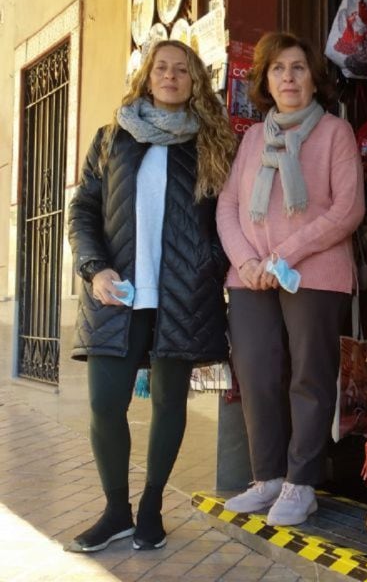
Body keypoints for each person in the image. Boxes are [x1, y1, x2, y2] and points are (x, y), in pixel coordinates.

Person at [66, 40, 236, 552]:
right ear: (146, 76)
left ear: (194, 81)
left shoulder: (211, 143)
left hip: (182, 294)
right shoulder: (111, 137)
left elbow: (227, 218)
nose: (170, 76)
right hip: (117, 293)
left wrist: (211, 265)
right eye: (161, 67)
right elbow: (83, 212)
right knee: (104, 404)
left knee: (168, 403)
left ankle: (152, 507)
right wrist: (94, 268)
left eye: (181, 70)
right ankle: (116, 509)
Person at [217, 32, 365, 526]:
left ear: (313, 78)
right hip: (252, 279)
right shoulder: (254, 138)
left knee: (309, 377)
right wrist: (246, 262)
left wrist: (284, 254)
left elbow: (348, 210)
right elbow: (229, 207)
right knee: (258, 375)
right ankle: (269, 479)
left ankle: (301, 483)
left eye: (298, 68)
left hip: (314, 276)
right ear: (264, 80)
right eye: (278, 69)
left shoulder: (334, 134)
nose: (288, 78)